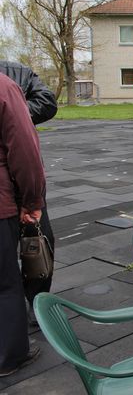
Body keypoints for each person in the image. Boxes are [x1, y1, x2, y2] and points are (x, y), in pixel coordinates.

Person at [1, 61, 58, 318]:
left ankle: (37, 301)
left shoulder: (17, 71)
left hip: (24, 180)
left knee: (38, 241)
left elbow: (47, 102)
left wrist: (16, 110)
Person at [0, 74, 44, 377]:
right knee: (5, 283)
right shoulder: (4, 87)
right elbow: (24, 150)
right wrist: (32, 200)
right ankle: (9, 356)